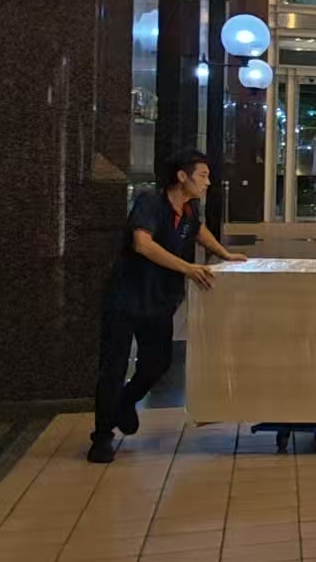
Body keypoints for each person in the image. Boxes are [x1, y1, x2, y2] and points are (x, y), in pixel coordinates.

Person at [91, 149, 245, 464]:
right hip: (126, 297)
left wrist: (224, 254)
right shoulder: (151, 203)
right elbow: (142, 243)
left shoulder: (188, 211)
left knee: (157, 363)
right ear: (181, 176)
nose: (208, 182)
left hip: (158, 301)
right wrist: (188, 268)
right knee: (114, 366)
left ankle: (126, 401)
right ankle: (102, 437)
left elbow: (198, 232)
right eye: (202, 175)